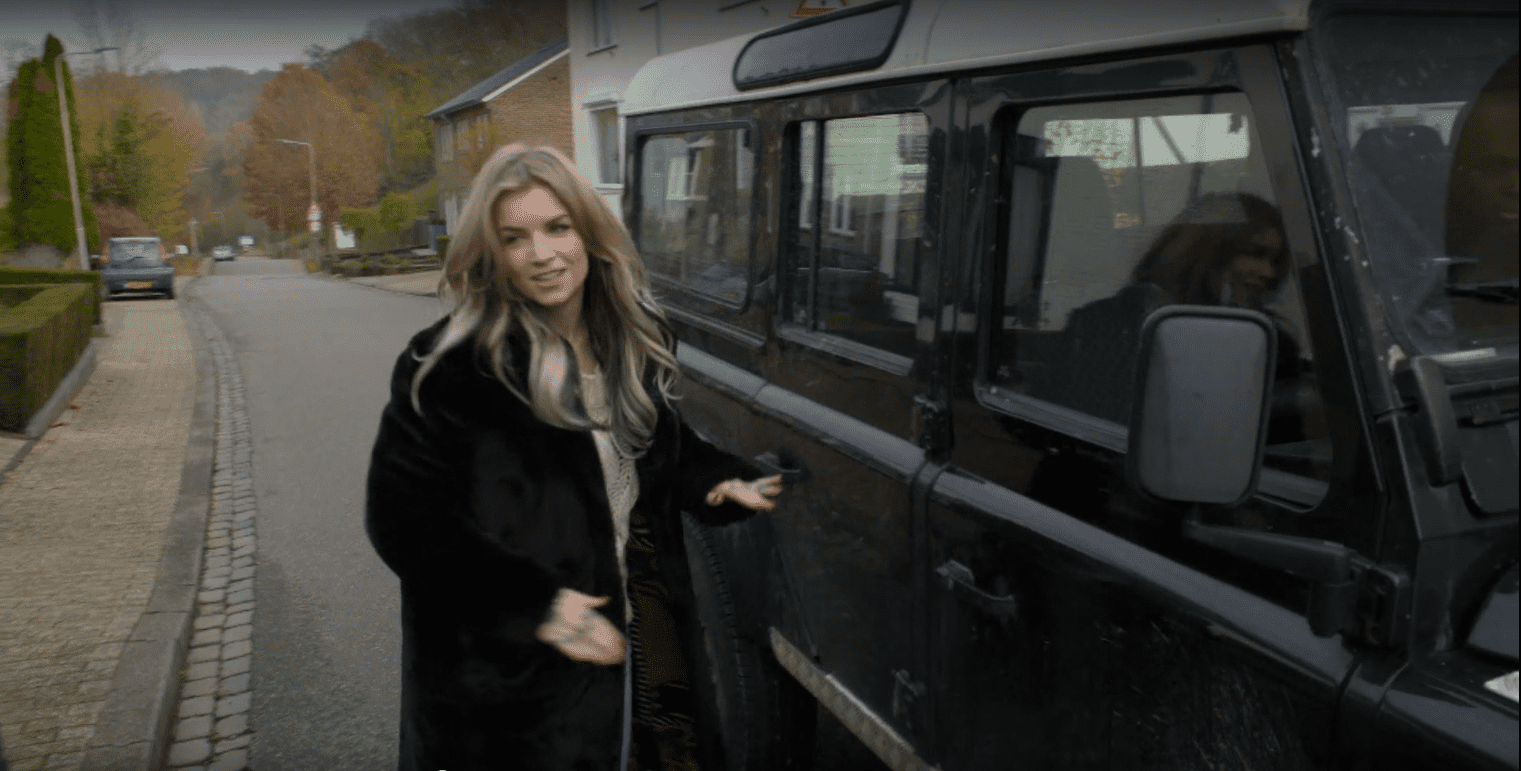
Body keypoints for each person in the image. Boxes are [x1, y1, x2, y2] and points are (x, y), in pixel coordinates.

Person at [365, 143, 784, 771]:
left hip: (641, 634)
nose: (542, 254)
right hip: (507, 682)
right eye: (515, 238)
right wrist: (535, 605)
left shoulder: (631, 340)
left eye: (558, 227)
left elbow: (653, 447)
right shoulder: (452, 367)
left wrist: (715, 479)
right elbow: (403, 521)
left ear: (589, 232)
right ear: (493, 253)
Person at [1041, 192, 1296, 426]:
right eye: (1254, 254)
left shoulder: (1270, 345)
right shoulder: (1104, 326)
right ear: (1205, 252)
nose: (1269, 272)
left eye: (1275, 261)